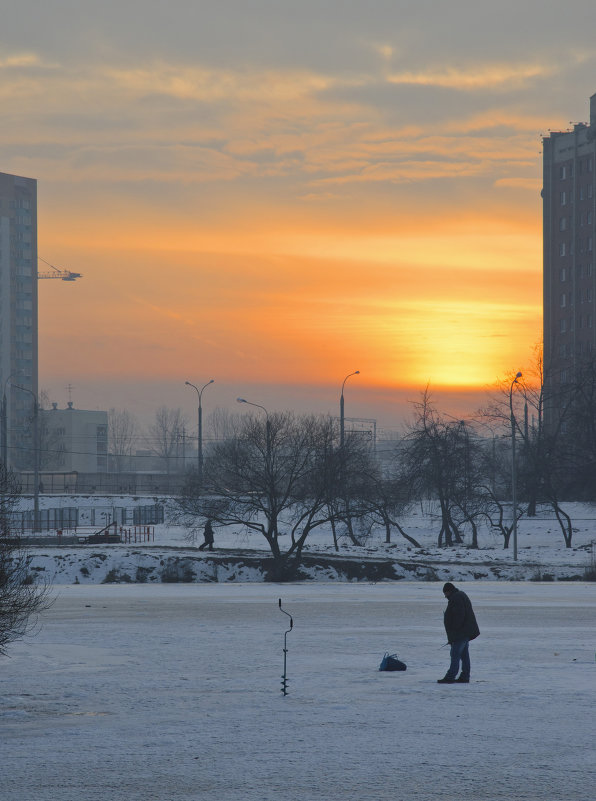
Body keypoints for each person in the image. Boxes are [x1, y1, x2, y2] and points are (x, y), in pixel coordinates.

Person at [437, 582, 480, 684]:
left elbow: (459, 615)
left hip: (460, 633)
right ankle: (465, 676)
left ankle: (450, 677)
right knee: (464, 655)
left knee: (455, 654)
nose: (445, 596)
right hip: (465, 631)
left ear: (449, 591)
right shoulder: (460, 595)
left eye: (445, 593)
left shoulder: (456, 598)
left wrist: (455, 630)